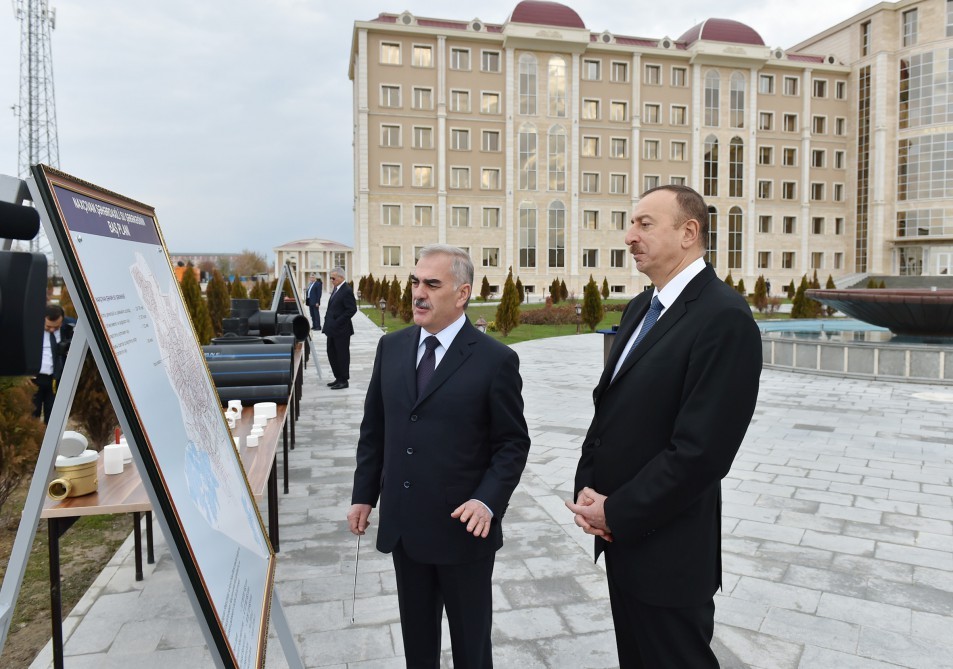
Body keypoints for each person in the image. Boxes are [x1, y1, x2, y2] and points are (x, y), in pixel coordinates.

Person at [566, 185, 762, 668]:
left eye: (645, 224)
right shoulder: (641, 308)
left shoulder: (724, 318)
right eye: (631, 224)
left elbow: (701, 453)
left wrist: (619, 510)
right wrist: (591, 494)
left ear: (689, 232)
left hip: (669, 553)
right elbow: (611, 409)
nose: (629, 236)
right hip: (622, 538)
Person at [348, 244, 530, 669]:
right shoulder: (390, 348)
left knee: (471, 650)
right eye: (415, 281)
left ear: (462, 293)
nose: (418, 293)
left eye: (432, 284)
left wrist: (487, 500)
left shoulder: (495, 361)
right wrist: (364, 494)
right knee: (418, 646)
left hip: (462, 532)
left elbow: (512, 444)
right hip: (405, 529)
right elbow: (375, 430)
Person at [32, 303, 74, 423]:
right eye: (48, 326)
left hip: (55, 379)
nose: (51, 329)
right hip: (34, 379)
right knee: (32, 414)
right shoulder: (31, 327)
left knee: (53, 417)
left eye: (56, 327)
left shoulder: (69, 326)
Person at [323, 267, 356, 389]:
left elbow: (352, 309)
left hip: (341, 330)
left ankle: (344, 380)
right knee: (331, 353)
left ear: (341, 277)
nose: (331, 280)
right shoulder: (336, 289)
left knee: (342, 355)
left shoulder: (346, 290)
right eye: (330, 278)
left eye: (333, 278)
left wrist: (338, 322)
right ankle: (338, 377)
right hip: (332, 330)